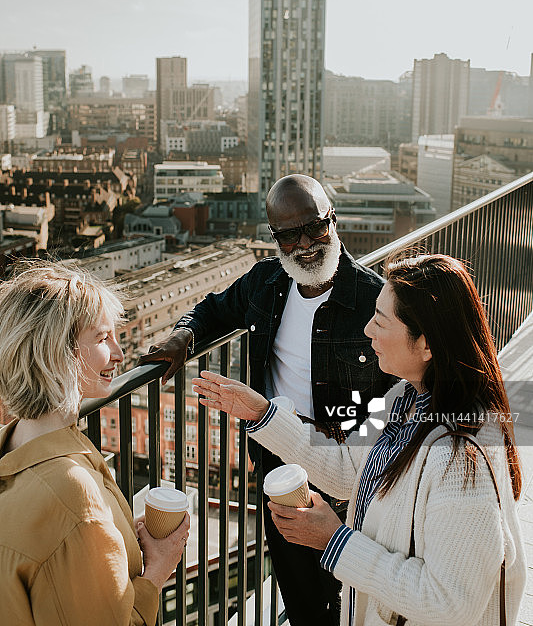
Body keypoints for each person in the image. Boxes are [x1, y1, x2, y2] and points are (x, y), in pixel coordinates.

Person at [192, 254, 527, 626]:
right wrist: (262, 415)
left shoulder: (463, 457)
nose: (367, 330)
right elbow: (349, 470)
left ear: (427, 345)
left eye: (380, 321)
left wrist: (336, 542)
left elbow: (449, 603)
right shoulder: (405, 398)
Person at [141, 174, 397, 626]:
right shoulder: (266, 283)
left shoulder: (374, 302)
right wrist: (184, 335)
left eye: (316, 228)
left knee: (352, 599)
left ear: (333, 221)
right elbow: (213, 308)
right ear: (274, 237)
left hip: (348, 475)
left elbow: (397, 399)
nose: (305, 245)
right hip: (278, 466)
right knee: (299, 594)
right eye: (288, 234)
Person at [0, 260, 190, 626]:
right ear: (58, 353)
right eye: (103, 338)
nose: (120, 354)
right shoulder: (72, 495)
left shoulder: (14, 447)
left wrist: (112, 533)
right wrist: (159, 567)